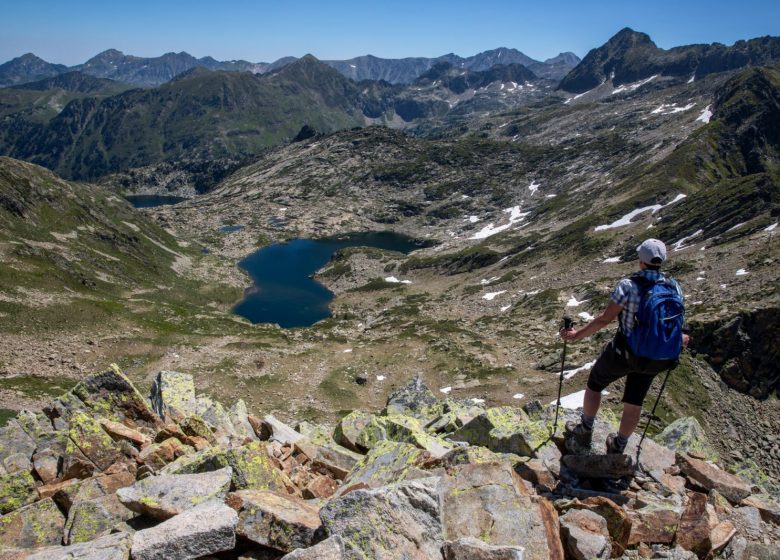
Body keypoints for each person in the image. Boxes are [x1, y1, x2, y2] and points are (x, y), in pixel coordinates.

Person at [559, 238, 689, 454]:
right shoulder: (674, 286)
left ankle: (585, 429)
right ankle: (619, 445)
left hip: (627, 352)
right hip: (658, 357)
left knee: (595, 382)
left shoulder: (628, 286)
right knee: (635, 400)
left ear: (641, 260)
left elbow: (605, 319)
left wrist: (576, 335)